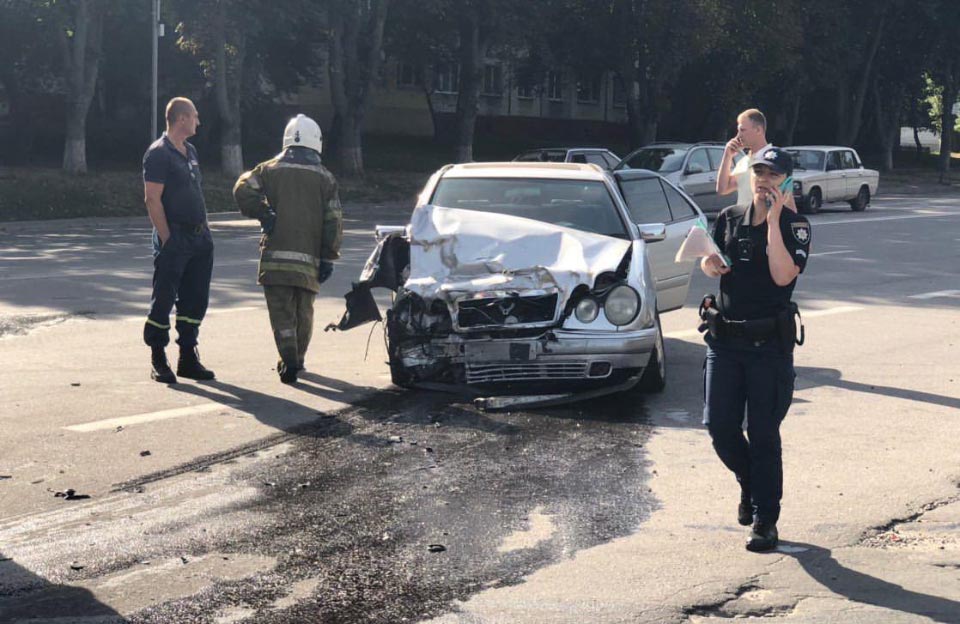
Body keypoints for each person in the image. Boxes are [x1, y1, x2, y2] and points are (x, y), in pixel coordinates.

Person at [699, 146, 811, 552]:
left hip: (768, 349)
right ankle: (750, 481)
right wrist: (710, 265)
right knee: (719, 427)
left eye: (773, 175)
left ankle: (765, 519)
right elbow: (708, 260)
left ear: (786, 182)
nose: (764, 181)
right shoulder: (729, 218)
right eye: (758, 173)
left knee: (763, 434)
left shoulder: (796, 226)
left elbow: (783, 277)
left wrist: (774, 222)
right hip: (725, 343)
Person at [233, 114, 343, 384]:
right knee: (303, 312)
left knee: (281, 313)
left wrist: (264, 214)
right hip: (309, 264)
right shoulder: (325, 178)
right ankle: (299, 359)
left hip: (275, 262)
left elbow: (242, 189)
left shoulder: (269, 169)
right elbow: (333, 221)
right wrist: (328, 257)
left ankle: (289, 360)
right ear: (316, 143)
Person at [142, 97, 215, 384]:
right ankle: (159, 358)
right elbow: (152, 199)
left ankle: (187, 357)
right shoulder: (158, 153)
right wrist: (167, 238)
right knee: (163, 299)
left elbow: (196, 192)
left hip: (199, 238)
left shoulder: (191, 150)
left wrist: (205, 230)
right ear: (182, 119)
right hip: (175, 237)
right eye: (195, 116)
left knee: (195, 299)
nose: (198, 121)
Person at [716, 108, 797, 211]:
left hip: (767, 222)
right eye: (738, 131)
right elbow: (722, 189)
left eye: (742, 130)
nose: (738, 136)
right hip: (744, 222)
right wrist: (727, 156)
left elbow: (789, 200)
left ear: (758, 130)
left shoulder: (775, 160)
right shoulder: (744, 161)